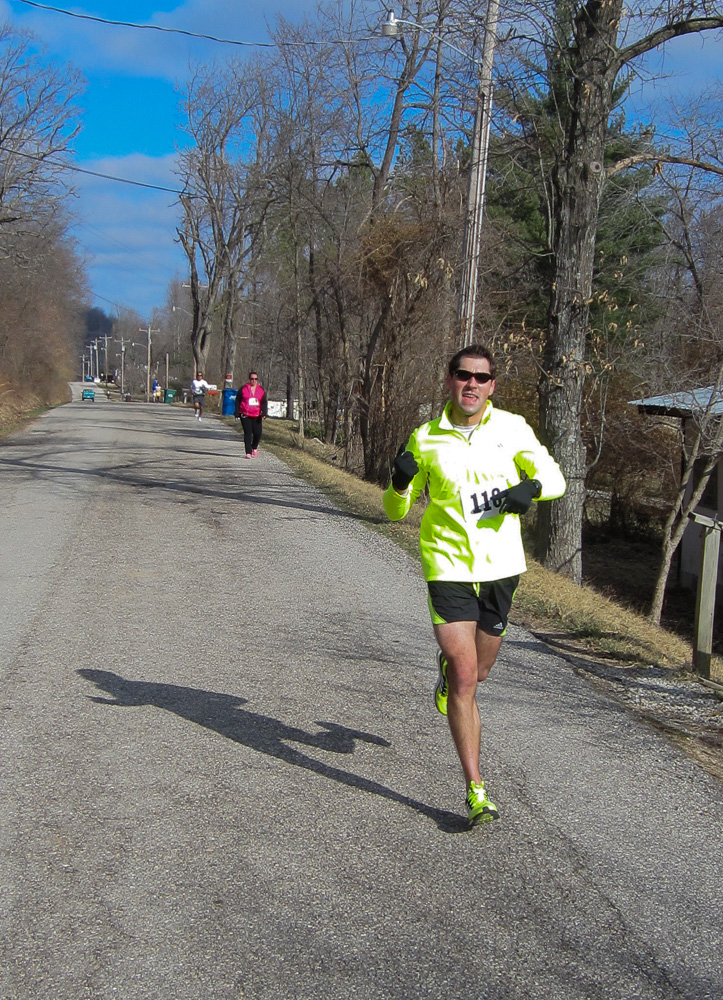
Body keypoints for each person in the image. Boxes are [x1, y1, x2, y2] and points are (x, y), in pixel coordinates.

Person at [383, 343, 566, 827]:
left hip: (501, 566)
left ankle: (449, 672)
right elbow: (394, 512)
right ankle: (476, 790)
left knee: (479, 672)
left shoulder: (512, 428)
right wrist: (399, 484)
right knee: (467, 677)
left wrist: (531, 489)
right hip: (447, 566)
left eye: (481, 378)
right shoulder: (425, 437)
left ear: (492, 386)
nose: (472, 384)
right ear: (449, 380)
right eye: (463, 375)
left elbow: (555, 478)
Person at [235, 370, 267, 458]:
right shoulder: (243, 389)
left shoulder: (261, 390)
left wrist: (264, 413)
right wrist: (237, 413)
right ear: (249, 379)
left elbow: (264, 402)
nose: (254, 380)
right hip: (245, 414)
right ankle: (248, 452)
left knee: (258, 433)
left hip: (257, 415)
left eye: (255, 379)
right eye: (252, 379)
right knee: (248, 433)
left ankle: (254, 447)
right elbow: (238, 401)